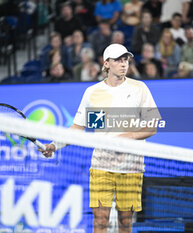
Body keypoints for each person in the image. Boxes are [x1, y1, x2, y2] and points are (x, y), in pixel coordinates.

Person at [40, 43, 159, 233]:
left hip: (132, 166)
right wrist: (54, 145)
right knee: (101, 219)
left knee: (126, 220)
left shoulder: (139, 88)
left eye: (125, 59)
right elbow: (77, 129)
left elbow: (152, 126)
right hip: (101, 165)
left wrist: (127, 137)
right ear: (106, 63)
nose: (123, 64)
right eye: (118, 60)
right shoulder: (93, 93)